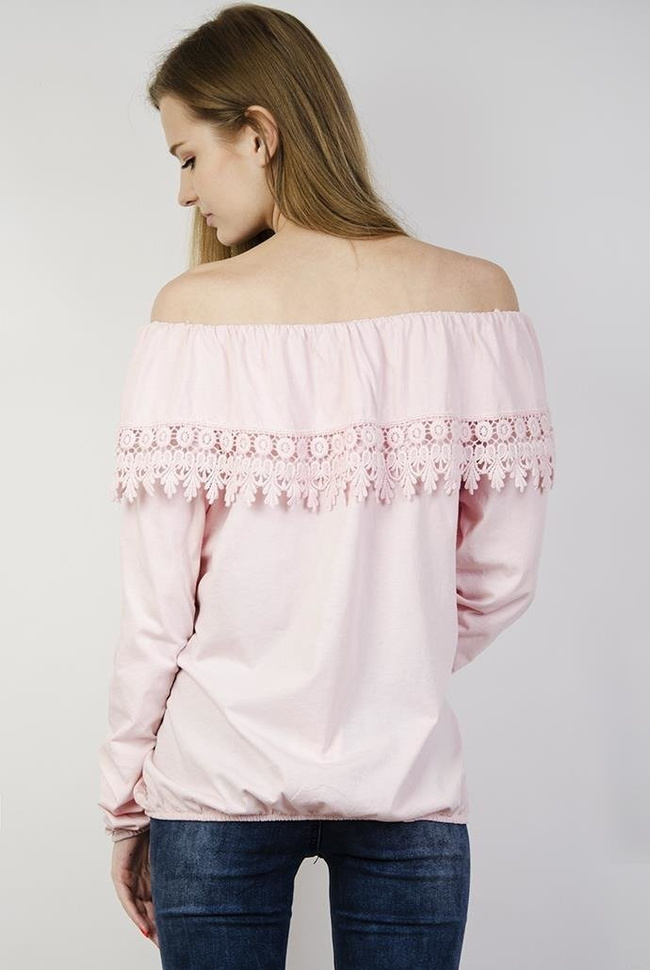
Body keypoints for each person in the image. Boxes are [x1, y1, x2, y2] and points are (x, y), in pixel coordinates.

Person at [98, 3, 556, 968]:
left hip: (214, 784)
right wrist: (381, 662)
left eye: (189, 157)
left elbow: (157, 611)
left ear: (258, 133)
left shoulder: (193, 317)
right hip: (409, 785)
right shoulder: (478, 300)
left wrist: (126, 803)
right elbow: (501, 579)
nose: (184, 192)